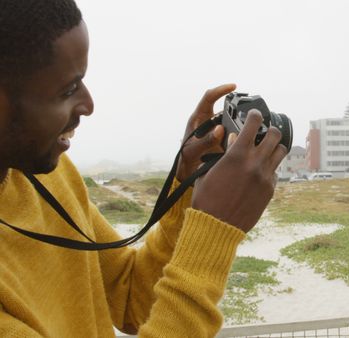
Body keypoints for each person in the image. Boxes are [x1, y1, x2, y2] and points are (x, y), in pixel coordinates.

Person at [0, 0, 287, 336]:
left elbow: (132, 300)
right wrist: (213, 232)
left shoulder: (49, 175)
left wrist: (185, 183)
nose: (89, 105)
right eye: (68, 89)